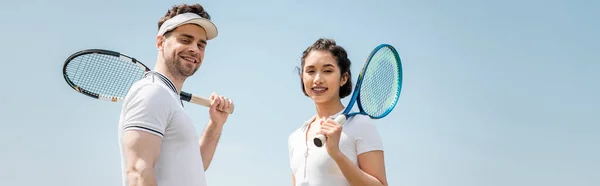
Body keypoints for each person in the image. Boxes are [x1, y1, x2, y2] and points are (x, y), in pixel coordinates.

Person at [117, 3, 233, 186]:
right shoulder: (152, 92)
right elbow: (139, 174)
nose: (195, 49)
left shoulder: (168, 98)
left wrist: (216, 124)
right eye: (186, 40)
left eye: (201, 45)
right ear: (160, 42)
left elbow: (195, 166)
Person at [288, 38, 388, 186]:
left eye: (327, 71)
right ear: (302, 77)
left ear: (343, 78)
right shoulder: (296, 137)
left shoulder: (360, 125)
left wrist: (336, 154)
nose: (318, 79)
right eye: (310, 71)